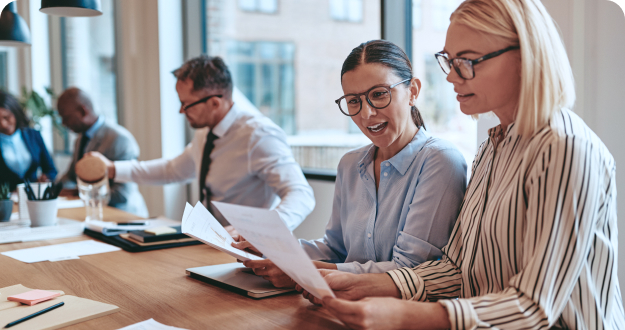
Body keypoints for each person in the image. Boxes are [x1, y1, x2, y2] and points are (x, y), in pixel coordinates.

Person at [299, 0, 625, 330]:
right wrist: (366, 283)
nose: (451, 76)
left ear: (525, 56)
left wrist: (403, 315)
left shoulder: (564, 148)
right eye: (450, 62)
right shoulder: (493, 147)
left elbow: (533, 305)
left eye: (467, 62)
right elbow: (458, 269)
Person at [234, 40, 467, 287]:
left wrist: (304, 271)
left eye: (379, 94)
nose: (366, 113)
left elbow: (410, 270)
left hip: (402, 316)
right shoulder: (350, 164)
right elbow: (335, 248)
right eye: (354, 101)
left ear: (413, 91)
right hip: (342, 304)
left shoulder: (440, 160)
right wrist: (274, 248)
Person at [90, 56, 315, 232]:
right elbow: (173, 170)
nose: (181, 111)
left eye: (186, 105)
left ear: (215, 102)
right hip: (212, 243)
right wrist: (112, 169)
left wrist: (261, 232)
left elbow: (300, 194)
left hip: (251, 254)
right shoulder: (206, 133)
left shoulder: (258, 135)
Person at [57, 88, 148, 217]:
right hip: (94, 215)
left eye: (66, 117)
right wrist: (51, 188)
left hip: (123, 216)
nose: (63, 123)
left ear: (83, 111)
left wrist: (78, 192)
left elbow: (122, 195)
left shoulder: (119, 139)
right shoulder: (80, 139)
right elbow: (71, 175)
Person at [0, 91, 57, 190]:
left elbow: (51, 169)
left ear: (15, 112)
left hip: (33, 196)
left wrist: (46, 178)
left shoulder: (33, 135)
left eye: (7, 117)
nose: (3, 124)